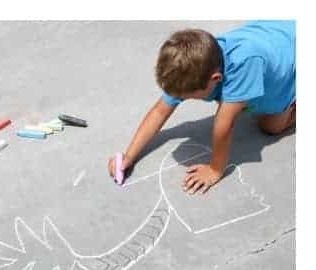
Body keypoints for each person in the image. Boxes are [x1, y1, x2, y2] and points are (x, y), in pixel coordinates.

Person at [108, 21, 296, 194]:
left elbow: (225, 123)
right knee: (244, 105)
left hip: (293, 60)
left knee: (270, 127)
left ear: (216, 79)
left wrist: (215, 169)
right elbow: (159, 111)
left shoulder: (243, 66)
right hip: (277, 37)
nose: (181, 99)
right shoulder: (192, 67)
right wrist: (129, 156)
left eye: (187, 97)